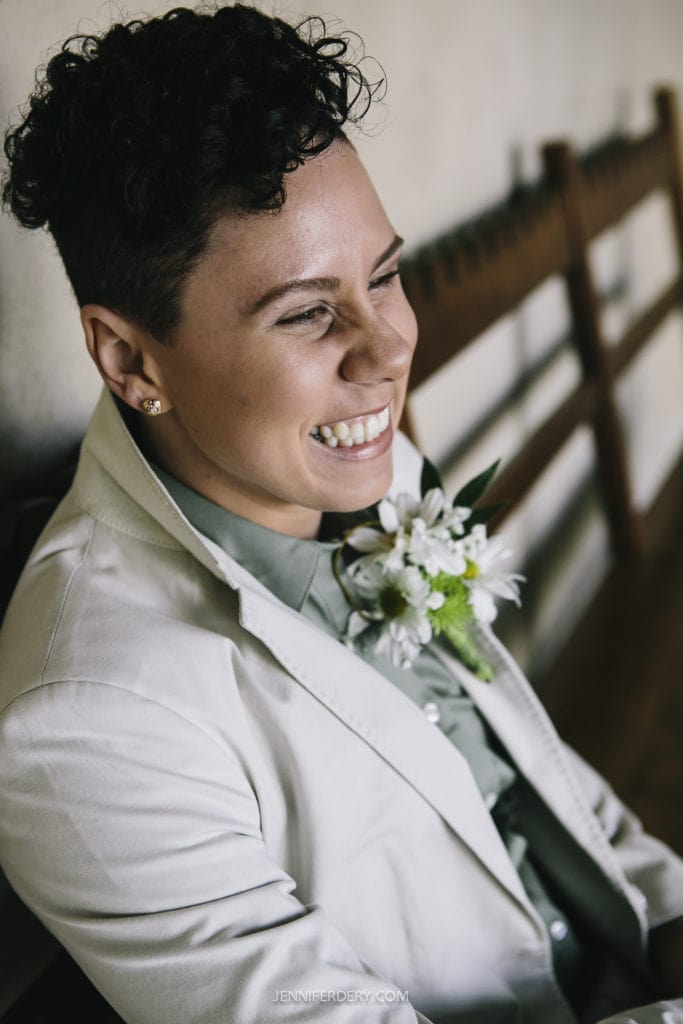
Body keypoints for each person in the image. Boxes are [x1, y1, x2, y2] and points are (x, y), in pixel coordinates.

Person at [0, 5, 682, 1022]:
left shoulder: (352, 460)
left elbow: (523, 765)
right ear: (130, 360)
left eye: (384, 277)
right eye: (307, 312)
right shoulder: (87, 723)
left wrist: (665, 914)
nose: (385, 353)